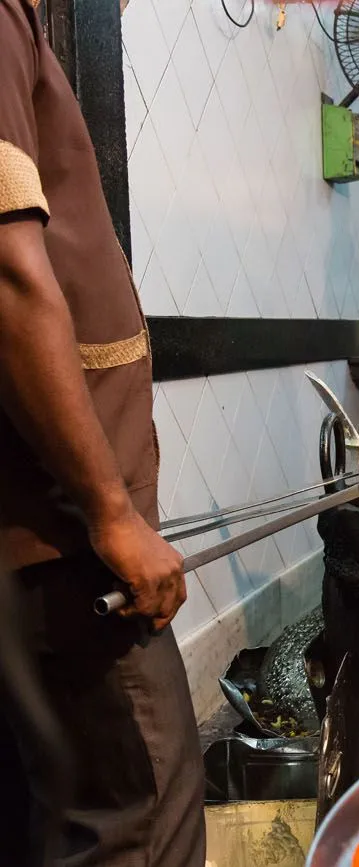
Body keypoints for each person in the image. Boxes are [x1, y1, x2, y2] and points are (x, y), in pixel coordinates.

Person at [0, 0, 205, 863]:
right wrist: (112, 512)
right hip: (61, 536)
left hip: (57, 529)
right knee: (139, 812)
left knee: (64, 811)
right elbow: (10, 278)